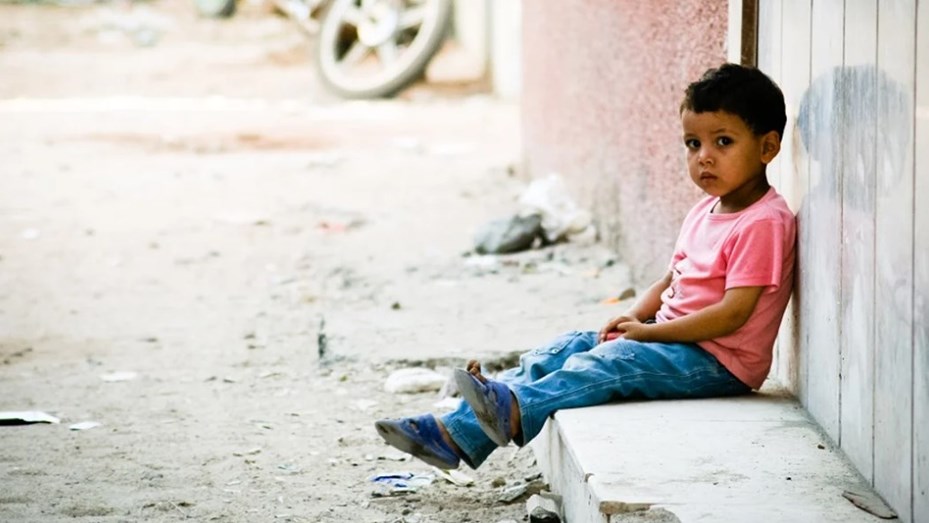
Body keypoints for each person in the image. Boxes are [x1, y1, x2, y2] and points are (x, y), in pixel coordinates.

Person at [374, 63, 796, 470]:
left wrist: (649, 333)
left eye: (723, 142)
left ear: (767, 147)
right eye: (692, 144)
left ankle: (506, 412)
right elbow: (671, 280)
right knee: (570, 346)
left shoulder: (763, 222)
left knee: (612, 361)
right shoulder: (705, 210)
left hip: (718, 363)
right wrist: (633, 317)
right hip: (674, 343)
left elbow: (733, 314)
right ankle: (454, 431)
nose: (704, 157)